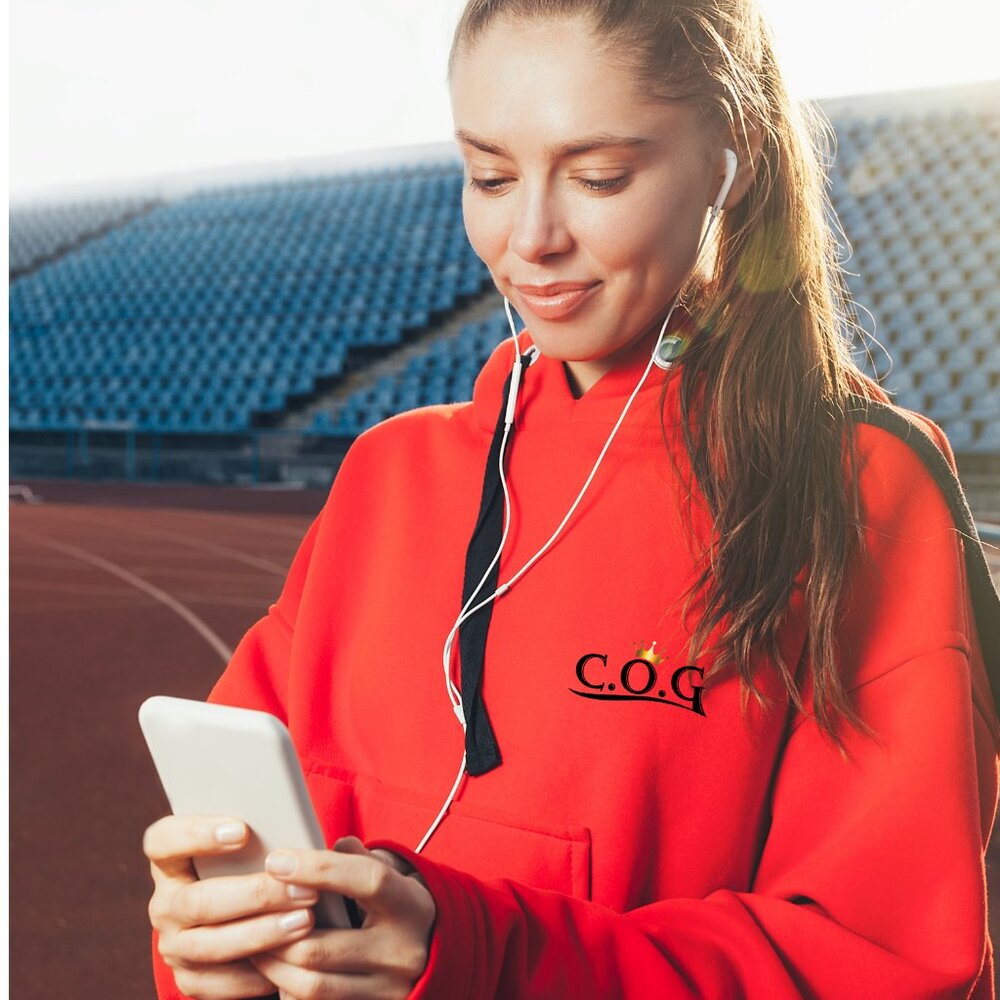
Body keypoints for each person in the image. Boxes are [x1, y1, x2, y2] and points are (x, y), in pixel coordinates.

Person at [143, 1, 1000, 997]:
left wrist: (479, 954)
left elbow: (881, 960)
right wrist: (213, 940)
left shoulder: (862, 484)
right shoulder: (387, 474)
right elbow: (241, 848)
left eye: (599, 176)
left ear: (736, 161)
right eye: (490, 175)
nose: (531, 236)